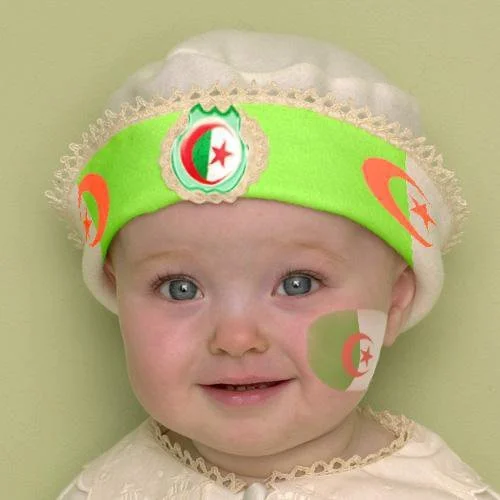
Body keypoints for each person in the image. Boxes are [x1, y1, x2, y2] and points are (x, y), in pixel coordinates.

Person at [47, 30, 499, 499]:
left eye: (299, 283)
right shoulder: (106, 489)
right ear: (116, 291)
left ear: (395, 302)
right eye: (179, 287)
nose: (236, 339)